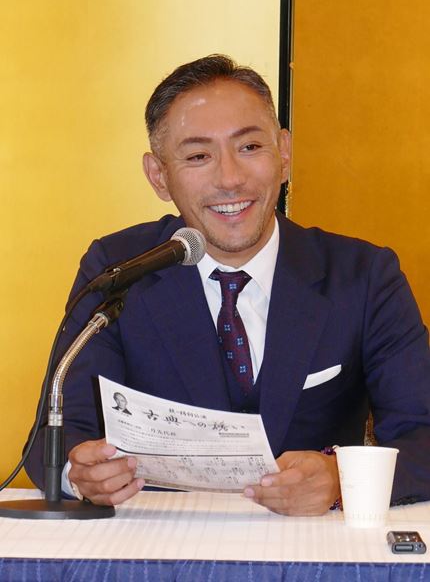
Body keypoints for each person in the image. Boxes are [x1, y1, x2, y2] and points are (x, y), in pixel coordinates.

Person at [24, 55, 430, 515]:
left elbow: (422, 434)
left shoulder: (363, 275)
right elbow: (57, 433)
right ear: (159, 176)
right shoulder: (119, 270)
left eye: (250, 147)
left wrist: (341, 479)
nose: (230, 179)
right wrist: (80, 472)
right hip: (159, 542)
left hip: (312, 542)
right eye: (199, 156)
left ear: (284, 154)